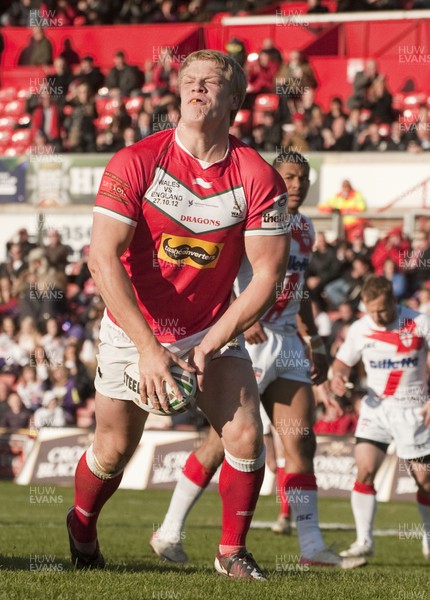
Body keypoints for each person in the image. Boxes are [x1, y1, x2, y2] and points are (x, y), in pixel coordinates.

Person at [66, 50, 290, 580]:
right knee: (114, 449)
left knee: (245, 435)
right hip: (133, 327)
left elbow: (267, 275)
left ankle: (231, 551)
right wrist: (148, 349)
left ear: (234, 100)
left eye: (211, 83)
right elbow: (101, 257)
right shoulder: (135, 160)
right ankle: (82, 524)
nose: (196, 89)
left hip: (208, 330)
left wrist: (210, 345)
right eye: (189, 81)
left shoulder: (258, 175)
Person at [150, 151, 366, 570]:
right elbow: (217, 269)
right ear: (273, 177)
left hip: (286, 342)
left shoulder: (304, 229)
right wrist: (237, 312)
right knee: (221, 444)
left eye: (303, 177)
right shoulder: (247, 213)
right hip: (245, 341)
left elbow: (297, 288)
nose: (297, 184)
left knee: (302, 439)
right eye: (288, 176)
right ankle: (170, 529)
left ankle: (311, 547)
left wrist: (314, 339)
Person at [330, 276, 430, 559]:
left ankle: (428, 537)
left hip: (413, 410)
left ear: (393, 301)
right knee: (364, 470)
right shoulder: (360, 329)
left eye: (383, 310)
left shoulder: (420, 322)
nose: (377, 316)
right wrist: (338, 377)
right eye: (371, 310)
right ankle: (364, 541)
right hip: (376, 410)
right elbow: (342, 362)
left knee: (425, 481)